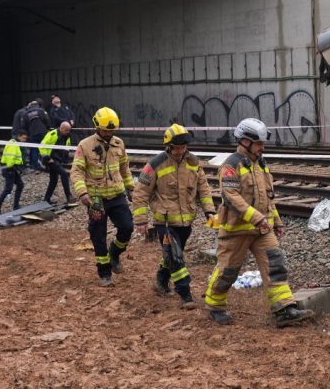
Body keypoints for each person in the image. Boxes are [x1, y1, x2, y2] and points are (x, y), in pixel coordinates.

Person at [203, 118, 314, 327]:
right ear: (245, 141)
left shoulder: (260, 164)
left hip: (262, 229)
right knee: (228, 271)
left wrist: (277, 221)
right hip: (236, 230)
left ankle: (284, 308)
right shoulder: (231, 165)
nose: (263, 147)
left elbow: (268, 197)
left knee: (275, 265)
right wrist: (257, 217)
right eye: (259, 143)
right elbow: (231, 197)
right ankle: (215, 305)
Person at [131, 123, 215, 309]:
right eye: (177, 147)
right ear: (168, 146)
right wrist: (141, 220)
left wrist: (209, 211)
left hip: (186, 221)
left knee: (171, 255)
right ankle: (185, 293)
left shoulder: (194, 163)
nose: (180, 151)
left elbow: (203, 189)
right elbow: (140, 193)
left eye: (183, 147)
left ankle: (161, 280)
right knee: (176, 258)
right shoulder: (155, 164)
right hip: (165, 221)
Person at [70, 107, 135, 287]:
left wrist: (131, 188)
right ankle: (104, 272)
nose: (108, 133)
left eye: (111, 131)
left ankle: (114, 253)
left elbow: (124, 168)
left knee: (127, 227)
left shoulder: (119, 144)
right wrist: (83, 193)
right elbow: (76, 171)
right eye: (105, 130)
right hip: (96, 199)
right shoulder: (85, 145)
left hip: (117, 195)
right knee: (98, 236)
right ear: (97, 126)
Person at [39, 122, 74, 204]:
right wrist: (47, 158)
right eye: (66, 130)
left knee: (53, 180)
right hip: (51, 159)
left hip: (58, 159)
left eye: (69, 130)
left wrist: (66, 158)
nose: (68, 132)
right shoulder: (53, 134)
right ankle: (69, 196)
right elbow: (42, 145)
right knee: (64, 174)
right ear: (61, 128)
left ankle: (46, 199)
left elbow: (66, 148)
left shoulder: (67, 136)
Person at [0, 132, 27, 214]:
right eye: (23, 138)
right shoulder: (13, 144)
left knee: (20, 185)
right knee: (8, 189)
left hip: (13, 168)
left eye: (25, 138)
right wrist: (11, 169)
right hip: (10, 169)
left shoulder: (15, 143)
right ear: (19, 136)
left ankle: (16, 206)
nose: (24, 140)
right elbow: (10, 158)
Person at [24, 99, 50, 172]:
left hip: (32, 134)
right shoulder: (41, 110)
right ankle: (46, 164)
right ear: (37, 105)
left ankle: (35, 166)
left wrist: (28, 132)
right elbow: (47, 120)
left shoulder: (26, 113)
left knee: (34, 150)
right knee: (44, 149)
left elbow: (25, 124)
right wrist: (48, 127)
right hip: (42, 133)